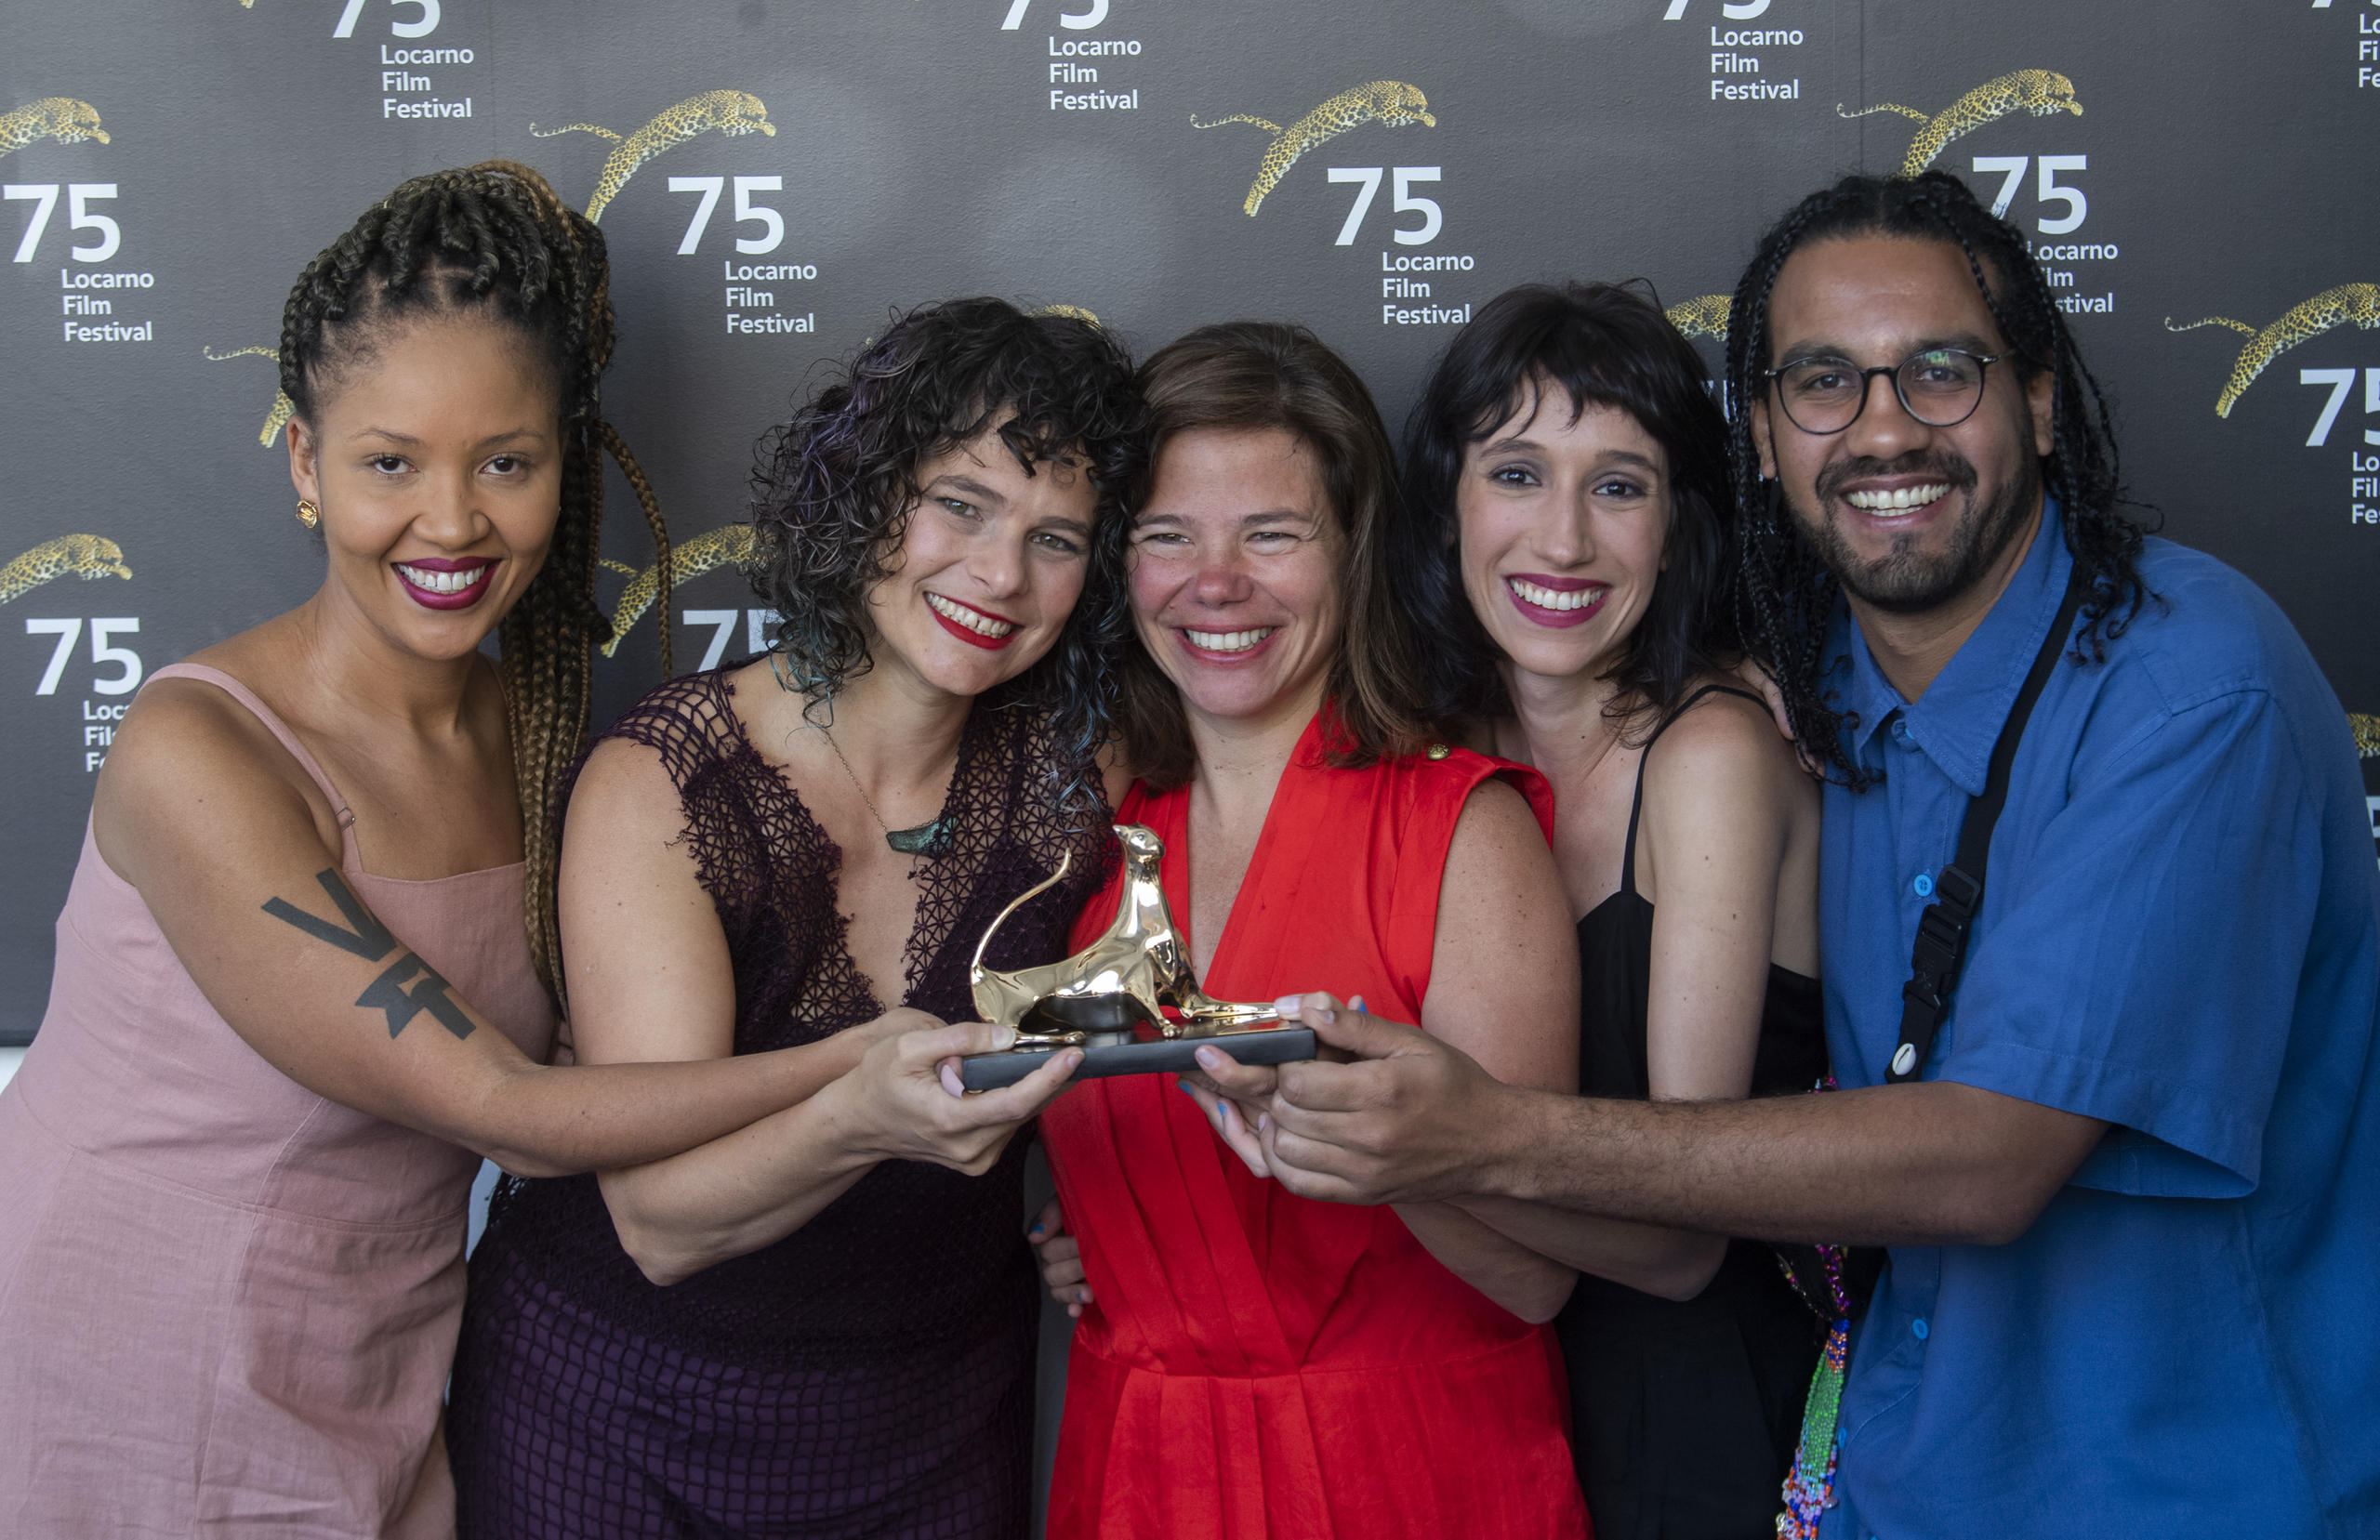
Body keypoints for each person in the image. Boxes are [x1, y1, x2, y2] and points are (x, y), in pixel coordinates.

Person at [1211, 171, 2380, 1536]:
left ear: (2043, 402)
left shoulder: (2192, 690)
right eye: (1825, 383)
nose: (1884, 429)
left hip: (2184, 1491)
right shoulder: (1805, 682)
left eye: (1940, 371)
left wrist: (1479, 1135)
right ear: (1766, 436)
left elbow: (1987, 1161)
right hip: (1891, 1480)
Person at [0, 162, 934, 1536]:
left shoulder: (541, 735)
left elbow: (581, 1073)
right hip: (130, 1351)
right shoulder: (198, 752)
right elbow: (500, 1101)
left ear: (568, 461)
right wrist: (869, 1063)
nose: (452, 522)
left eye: (507, 460)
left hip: (377, 1355)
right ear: (308, 465)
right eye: (391, 463)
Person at [446, 297, 1139, 1539]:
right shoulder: (665, 780)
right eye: (963, 504)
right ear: (869, 494)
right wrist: (865, 1113)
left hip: (927, 1417)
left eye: (1058, 537)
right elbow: (660, 1220)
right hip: (613, 1405)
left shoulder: (1083, 786)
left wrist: (1088, 1202)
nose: (999, 574)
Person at [1030, 322, 1591, 1539]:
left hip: (1410, 1475)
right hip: (1136, 1475)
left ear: (1352, 552)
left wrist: (1378, 1157)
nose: (1214, 581)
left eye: (1270, 534)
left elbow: (1538, 1273)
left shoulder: (1461, 831)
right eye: (1166, 534)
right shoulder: (1084, 834)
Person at [1391, 280, 1825, 1538]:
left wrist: (1388, 1156)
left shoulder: (1711, 758)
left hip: (1698, 1429)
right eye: (1517, 474)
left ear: (1681, 526)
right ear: (1450, 504)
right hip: (1486, 1406)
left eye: (1619, 485)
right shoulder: (1430, 754)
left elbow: (1684, 1241)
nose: (1565, 538)